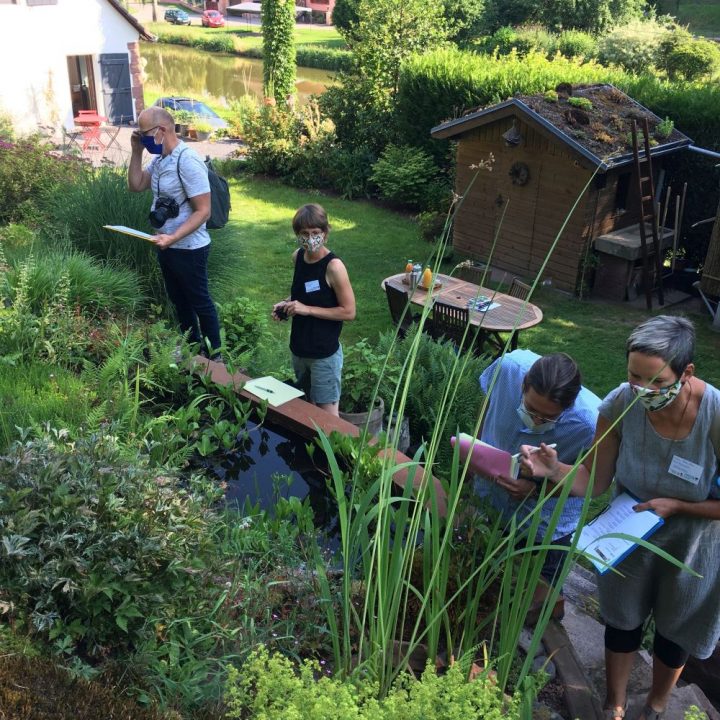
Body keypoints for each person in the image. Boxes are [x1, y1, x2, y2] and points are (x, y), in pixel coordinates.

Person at [521, 316, 720, 720]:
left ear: (687, 373)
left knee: (674, 633)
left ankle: (656, 704)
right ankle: (613, 703)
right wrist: (554, 471)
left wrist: (678, 506)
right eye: (634, 376)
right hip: (628, 531)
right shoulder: (618, 403)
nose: (642, 391)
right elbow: (594, 480)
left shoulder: (715, 413)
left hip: (694, 543)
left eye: (656, 382)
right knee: (622, 621)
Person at [475, 349, 601, 616]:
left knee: (537, 602)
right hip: (491, 498)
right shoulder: (507, 368)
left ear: (567, 408)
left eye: (547, 418)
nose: (535, 421)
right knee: (486, 584)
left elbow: (589, 483)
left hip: (545, 520)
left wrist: (536, 489)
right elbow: (487, 408)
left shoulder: (590, 425)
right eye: (531, 409)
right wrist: (474, 453)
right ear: (523, 386)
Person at [127, 107, 221, 359]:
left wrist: (173, 237)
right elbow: (135, 184)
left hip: (189, 248)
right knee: (180, 302)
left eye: (143, 134)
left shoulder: (187, 160)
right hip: (166, 245)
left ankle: (216, 357)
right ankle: (194, 349)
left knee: (200, 302)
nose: (142, 138)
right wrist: (136, 150)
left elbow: (203, 211)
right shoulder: (159, 160)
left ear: (161, 130)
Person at [272, 204, 355, 417]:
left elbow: (348, 312)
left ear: (326, 234)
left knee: (328, 418)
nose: (310, 239)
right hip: (299, 350)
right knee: (307, 410)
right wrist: (286, 304)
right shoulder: (297, 257)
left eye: (316, 233)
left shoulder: (334, 267)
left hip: (323, 354)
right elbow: (302, 295)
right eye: (304, 234)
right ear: (297, 235)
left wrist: (307, 309)